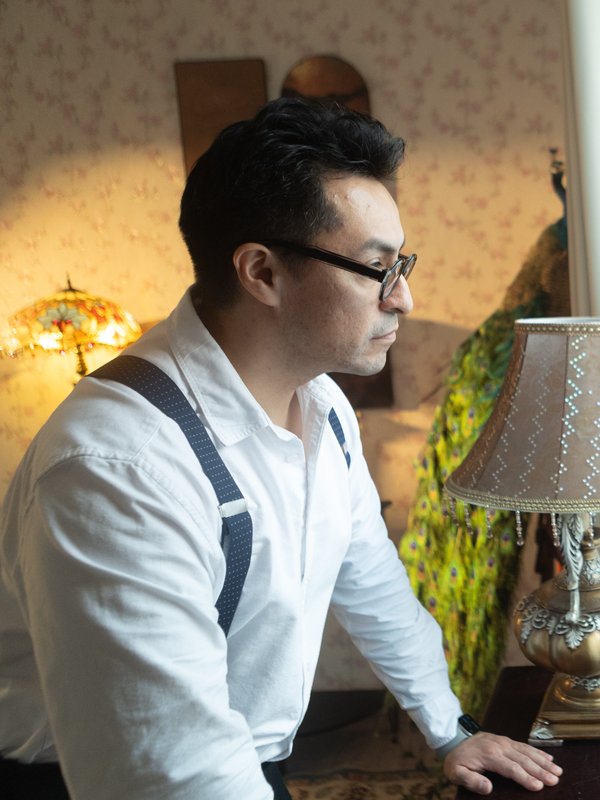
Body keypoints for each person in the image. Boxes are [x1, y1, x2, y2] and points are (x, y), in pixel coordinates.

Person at [0, 97, 562, 800]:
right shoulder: (117, 467)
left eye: (403, 263)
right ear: (262, 272)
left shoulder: (322, 406)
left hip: (246, 765)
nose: (406, 299)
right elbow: (170, 771)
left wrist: (450, 727)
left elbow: (375, 587)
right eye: (377, 268)